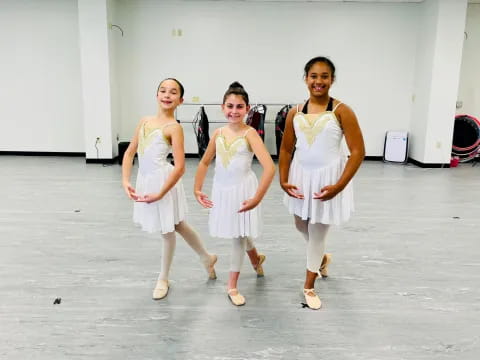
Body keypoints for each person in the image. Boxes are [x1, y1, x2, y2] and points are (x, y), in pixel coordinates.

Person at [279, 57, 365, 310]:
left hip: (328, 178)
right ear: (306, 78)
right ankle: (322, 258)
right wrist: (283, 178)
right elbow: (285, 150)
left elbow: (358, 151)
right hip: (301, 176)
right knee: (300, 223)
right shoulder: (295, 112)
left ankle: (309, 285)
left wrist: (339, 185)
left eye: (324, 76)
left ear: (332, 80)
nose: (319, 81)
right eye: (314, 76)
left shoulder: (341, 111)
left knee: (317, 232)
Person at [121, 78, 217, 300]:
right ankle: (207, 257)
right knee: (177, 224)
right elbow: (129, 153)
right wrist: (126, 181)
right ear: (156, 95)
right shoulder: (144, 121)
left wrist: (161, 192)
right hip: (146, 180)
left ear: (180, 100)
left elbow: (181, 167)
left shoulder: (174, 128)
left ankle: (163, 278)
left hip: (164, 182)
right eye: (163, 90)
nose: (167, 95)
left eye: (173, 92)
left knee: (168, 230)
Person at [194, 82, 275, 306]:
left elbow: (269, 167)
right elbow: (204, 162)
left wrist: (257, 197)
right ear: (222, 107)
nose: (234, 111)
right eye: (230, 106)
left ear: (247, 109)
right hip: (222, 189)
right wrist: (197, 188)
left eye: (239, 107)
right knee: (239, 230)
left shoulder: (250, 134)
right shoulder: (218, 133)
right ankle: (256, 260)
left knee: (238, 237)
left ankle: (232, 285)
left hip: (243, 190)